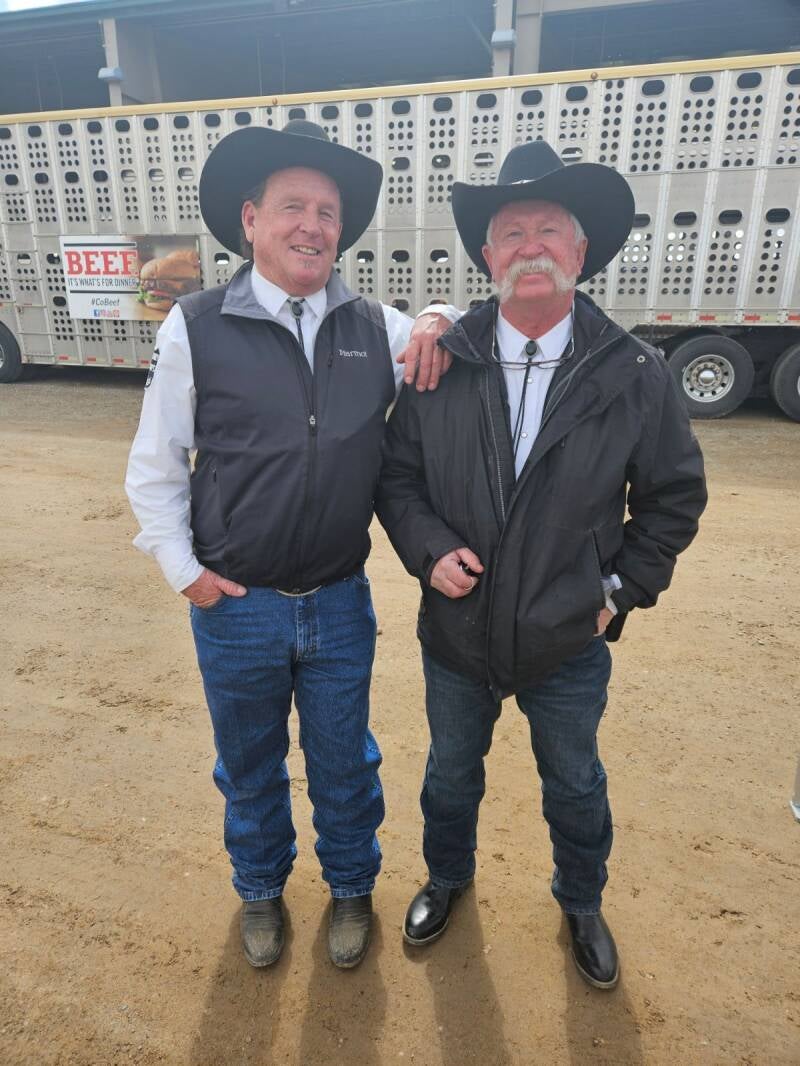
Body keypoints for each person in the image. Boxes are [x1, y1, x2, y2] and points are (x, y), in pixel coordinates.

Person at [376, 139, 707, 989]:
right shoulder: (439, 362)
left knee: (575, 781)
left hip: (567, 637)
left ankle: (581, 900)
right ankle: (447, 878)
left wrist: (618, 592)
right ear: (488, 256)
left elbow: (671, 501)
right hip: (457, 631)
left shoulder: (633, 373)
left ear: (580, 250)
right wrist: (425, 550)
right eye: (511, 230)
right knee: (451, 774)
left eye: (549, 229)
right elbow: (398, 477)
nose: (530, 245)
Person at [125, 120, 453, 971]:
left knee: (347, 764)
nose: (313, 226)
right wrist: (186, 574)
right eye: (294, 207)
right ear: (251, 221)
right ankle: (261, 892)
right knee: (250, 767)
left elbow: (441, 332)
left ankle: (350, 889)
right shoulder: (195, 326)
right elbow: (155, 463)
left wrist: (437, 311)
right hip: (236, 607)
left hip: (340, 601)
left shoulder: (369, 324)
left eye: (329, 212)